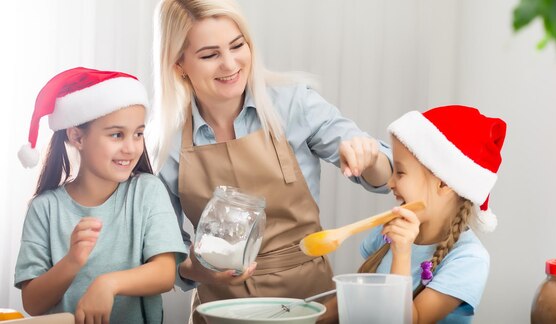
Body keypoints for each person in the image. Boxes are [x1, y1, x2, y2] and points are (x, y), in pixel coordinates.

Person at [152, 0, 393, 320]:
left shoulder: (294, 104)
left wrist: (369, 156)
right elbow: (163, 252)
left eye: (237, 46)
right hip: (222, 312)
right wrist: (197, 270)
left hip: (311, 305)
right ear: (178, 64)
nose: (230, 64)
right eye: (210, 55)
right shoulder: (165, 141)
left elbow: (384, 176)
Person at [14, 67, 188, 324]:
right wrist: (72, 261)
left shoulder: (147, 191)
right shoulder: (44, 209)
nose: (131, 148)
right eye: (117, 134)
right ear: (76, 136)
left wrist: (108, 284)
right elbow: (33, 303)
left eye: (138, 134)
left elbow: (164, 274)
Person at [321, 105, 507, 323]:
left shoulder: (469, 259)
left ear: (443, 183)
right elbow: (352, 303)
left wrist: (401, 252)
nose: (390, 183)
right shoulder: (387, 230)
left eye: (400, 172)